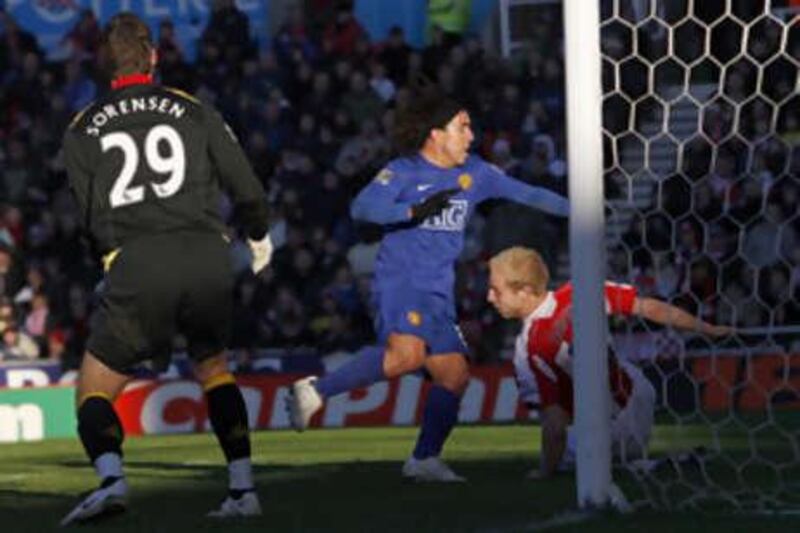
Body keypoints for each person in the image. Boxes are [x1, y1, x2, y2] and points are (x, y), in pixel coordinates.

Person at [287, 83, 569, 482]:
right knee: (406, 355)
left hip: (439, 291)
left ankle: (424, 459)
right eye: (462, 127)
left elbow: (530, 194)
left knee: (454, 375)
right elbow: (362, 207)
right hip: (401, 281)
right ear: (436, 133)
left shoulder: (477, 173)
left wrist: (583, 208)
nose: (471, 135)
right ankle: (315, 391)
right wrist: (414, 209)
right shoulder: (402, 171)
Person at [60, 13, 273, 525]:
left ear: (105, 64)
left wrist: (110, 259)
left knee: (92, 388)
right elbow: (244, 183)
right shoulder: (192, 109)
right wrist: (258, 233)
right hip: (205, 255)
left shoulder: (83, 125)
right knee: (213, 367)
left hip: (139, 260)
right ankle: (243, 489)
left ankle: (112, 480)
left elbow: (90, 216)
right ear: (153, 56)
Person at [486, 247, 732, 478]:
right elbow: (649, 308)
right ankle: (651, 461)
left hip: (611, 426)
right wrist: (705, 326)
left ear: (525, 290)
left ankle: (649, 465)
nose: (489, 297)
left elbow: (555, 426)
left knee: (561, 455)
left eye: (496, 290)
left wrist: (543, 473)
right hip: (641, 392)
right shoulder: (581, 291)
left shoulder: (530, 347)